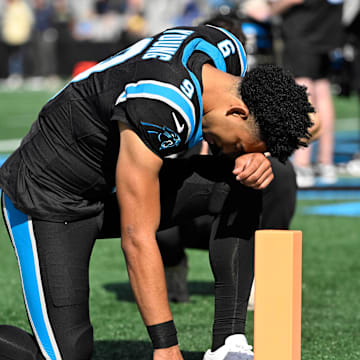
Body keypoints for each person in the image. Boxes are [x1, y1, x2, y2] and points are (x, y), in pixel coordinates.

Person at [0, 24, 314, 360]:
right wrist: (165, 345)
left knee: (245, 179)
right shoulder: (159, 105)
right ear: (238, 112)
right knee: (67, 355)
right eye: (237, 142)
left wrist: (254, 154)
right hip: (51, 199)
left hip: (109, 183)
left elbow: (308, 120)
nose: (230, 149)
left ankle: (228, 344)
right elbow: (137, 235)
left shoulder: (226, 55)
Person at [242, 0, 344, 187]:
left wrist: (270, 11)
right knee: (322, 91)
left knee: (304, 92)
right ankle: (325, 161)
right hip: (327, 29)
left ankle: (303, 163)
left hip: (304, 30)